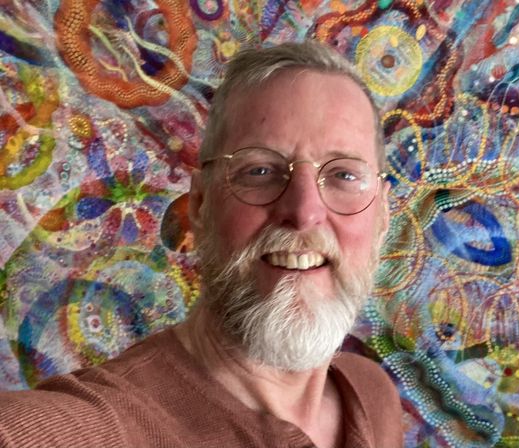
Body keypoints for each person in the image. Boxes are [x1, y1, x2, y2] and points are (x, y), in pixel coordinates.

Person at [0, 40, 403, 448]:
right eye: (260, 170)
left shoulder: (371, 394)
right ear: (199, 204)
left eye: (344, 175)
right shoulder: (108, 424)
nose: (304, 211)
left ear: (383, 215)